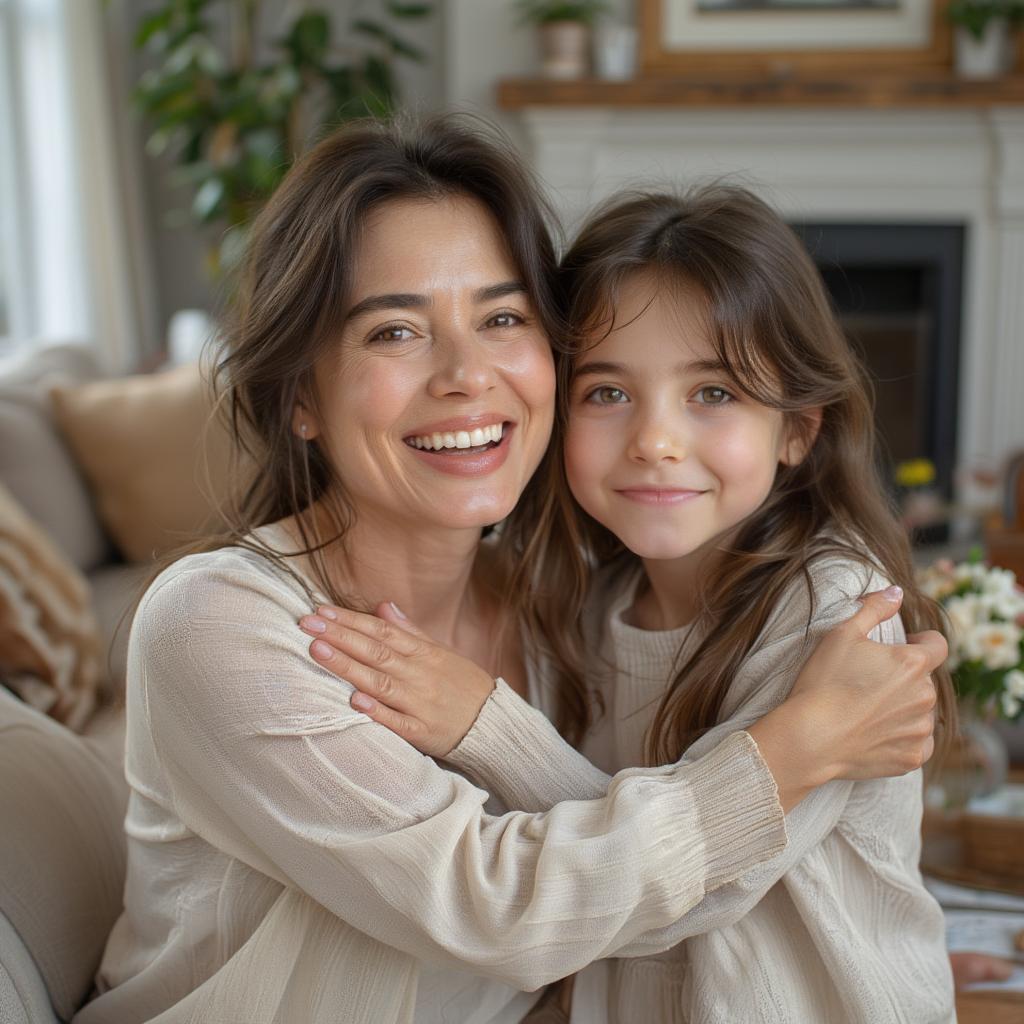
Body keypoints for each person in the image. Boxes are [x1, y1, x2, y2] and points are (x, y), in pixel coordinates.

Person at [73, 121, 943, 1024]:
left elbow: (626, 862)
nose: (465, 375)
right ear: (300, 395)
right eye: (396, 331)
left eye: (501, 319)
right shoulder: (220, 625)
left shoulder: (554, 608)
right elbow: (507, 906)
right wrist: (798, 749)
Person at [307, 186, 958, 1022]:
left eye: (713, 393)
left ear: (798, 428)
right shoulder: (593, 601)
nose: (654, 439)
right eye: (608, 393)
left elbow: (688, 895)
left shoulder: (831, 611)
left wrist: (487, 725)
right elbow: (598, 866)